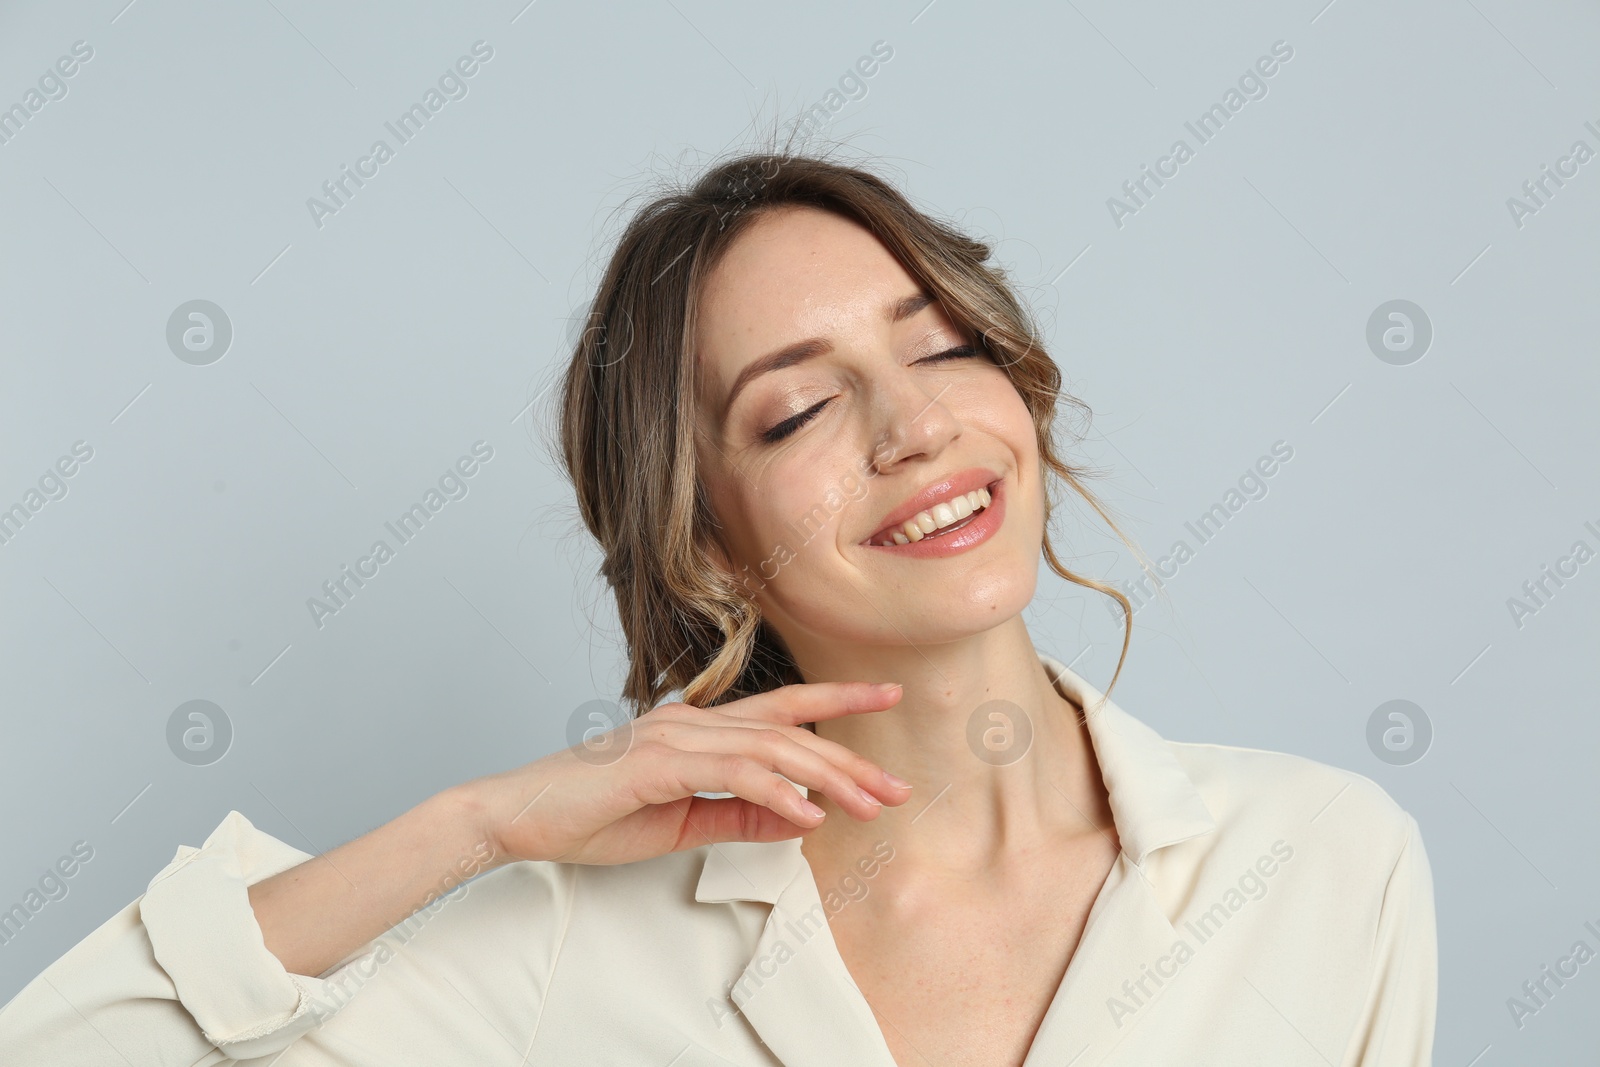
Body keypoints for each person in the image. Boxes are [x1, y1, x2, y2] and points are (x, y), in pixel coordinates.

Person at [0, 146, 1437, 1066]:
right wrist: (478, 826)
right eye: (801, 407)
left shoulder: (1319, 867)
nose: (913, 427)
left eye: (941, 347)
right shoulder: (571, 936)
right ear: (707, 546)